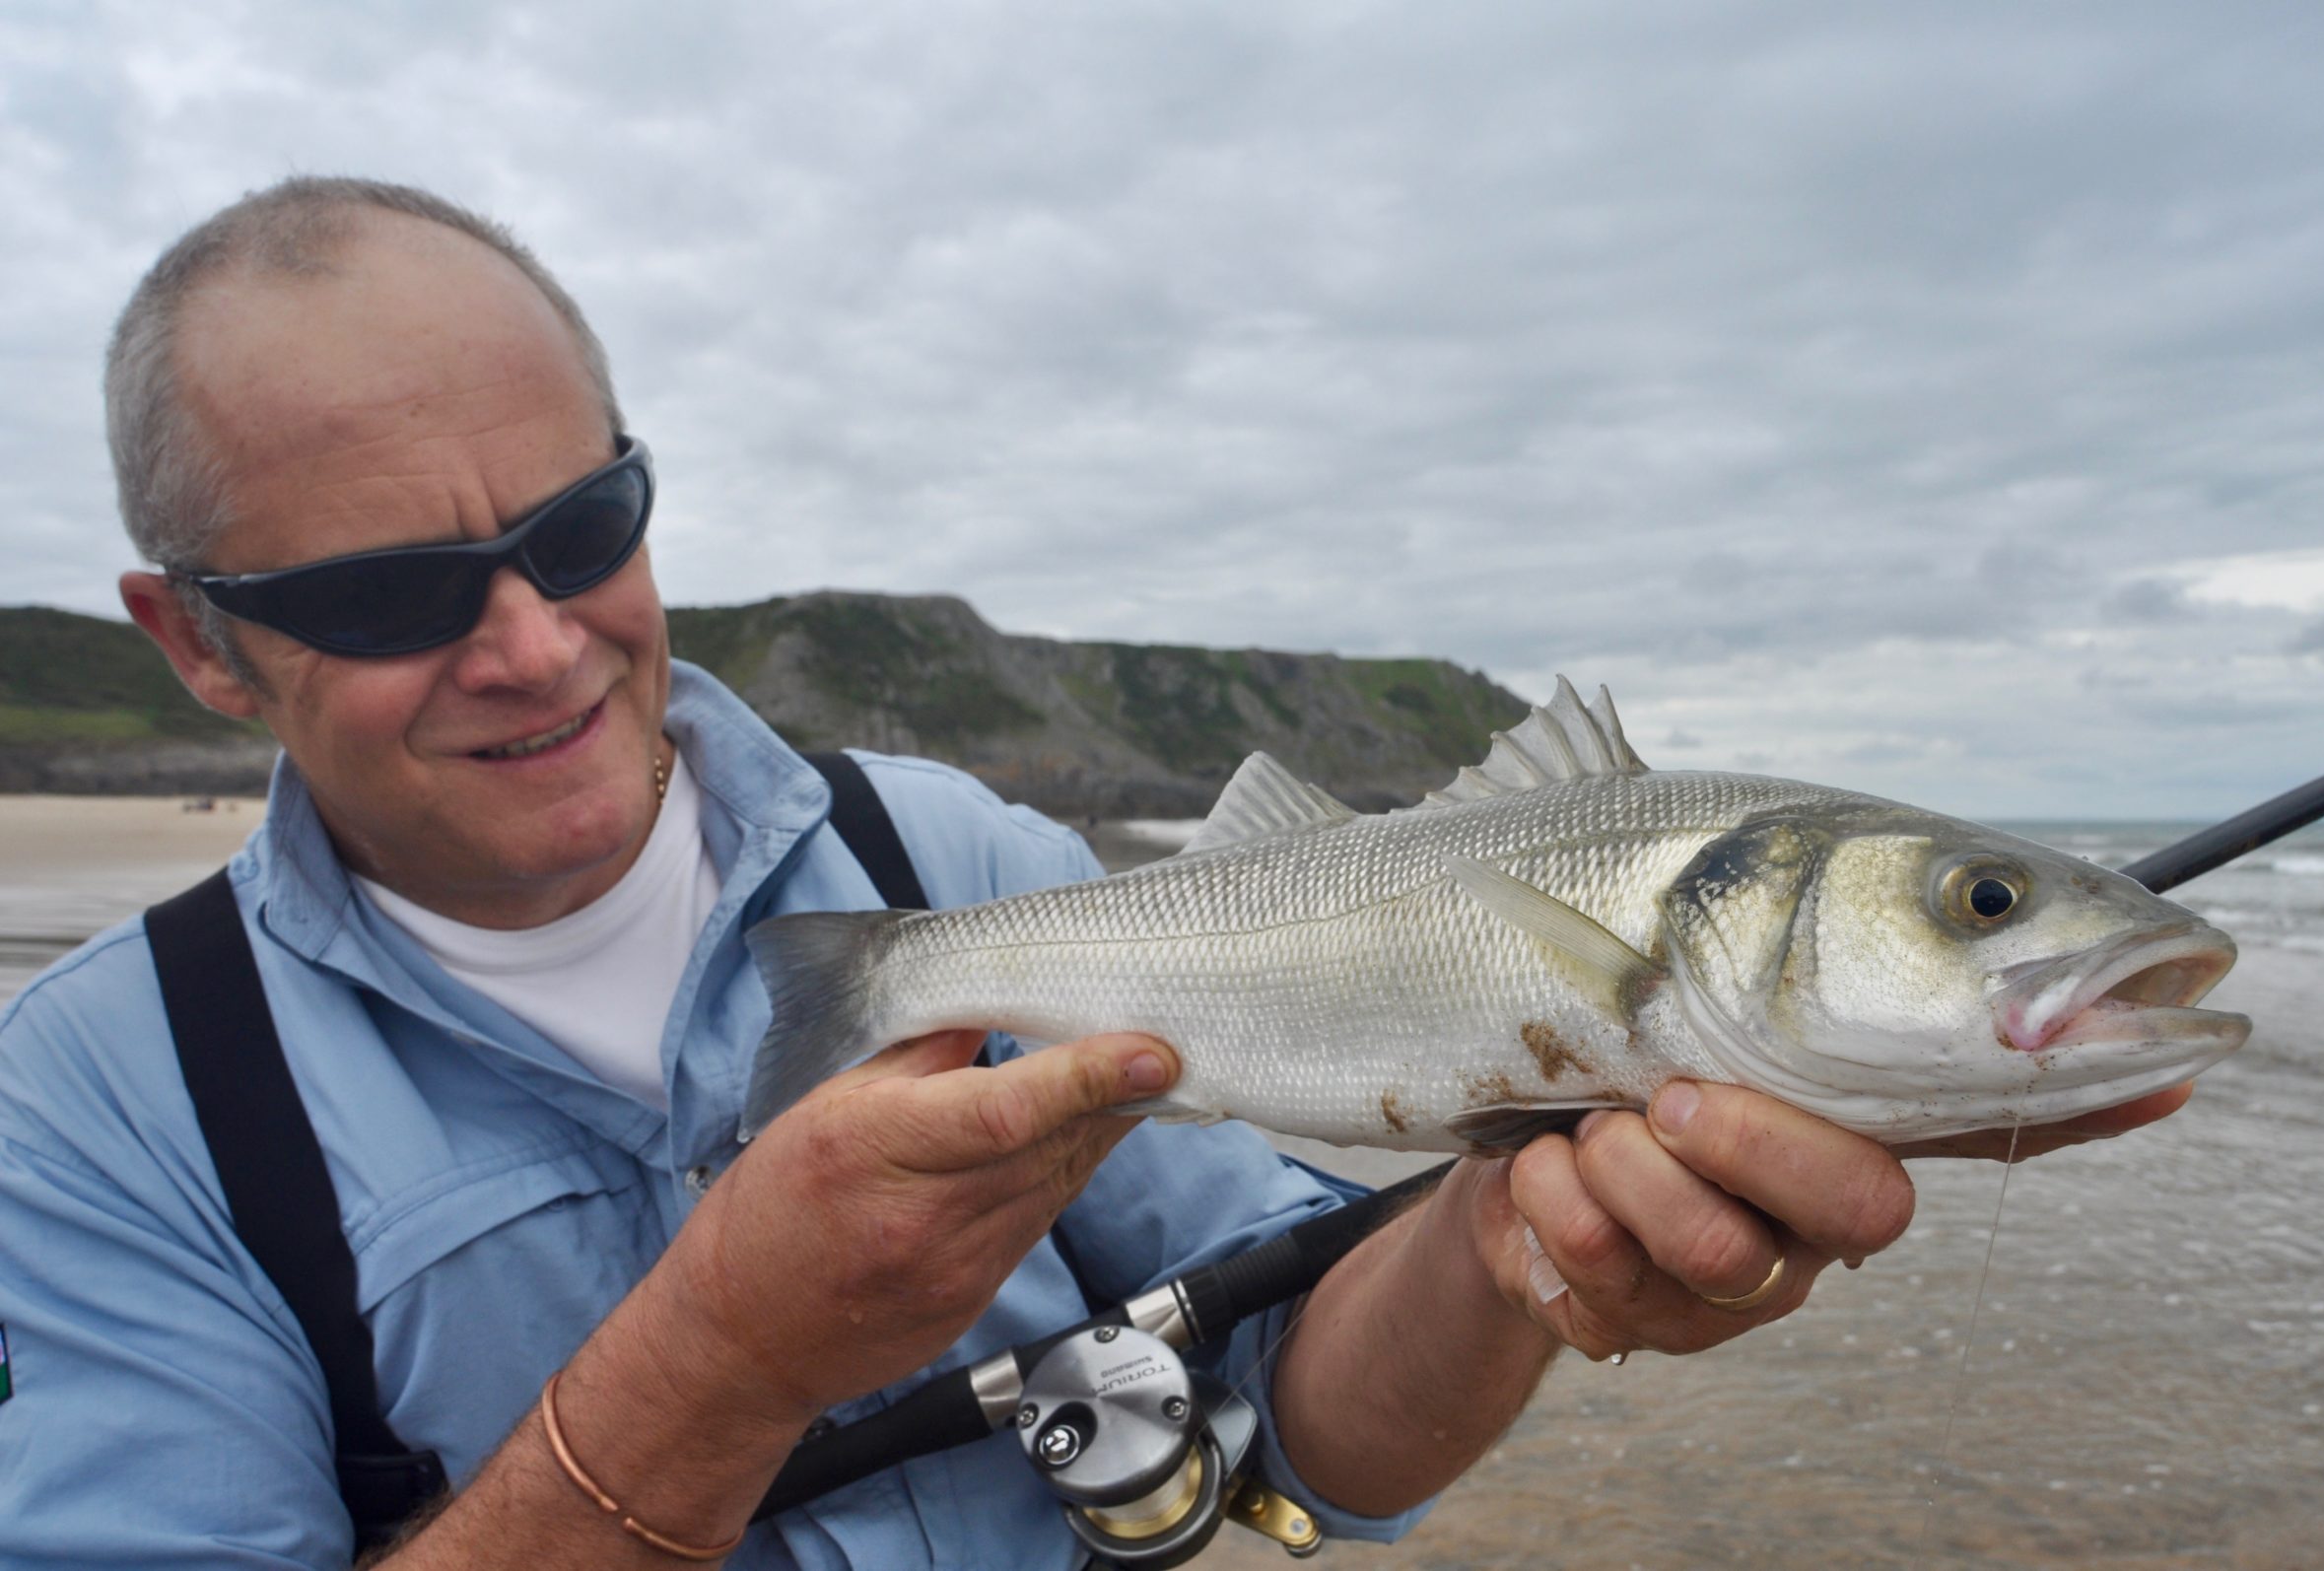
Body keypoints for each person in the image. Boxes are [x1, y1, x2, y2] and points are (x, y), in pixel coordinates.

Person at [0, 177, 2188, 1569]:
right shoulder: (92, 1113)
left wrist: (1507, 1249)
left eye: (583, 529)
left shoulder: (948, 861)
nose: (536, 638)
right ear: (190, 636)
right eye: (393, 588)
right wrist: (725, 1354)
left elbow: (1316, 1421)